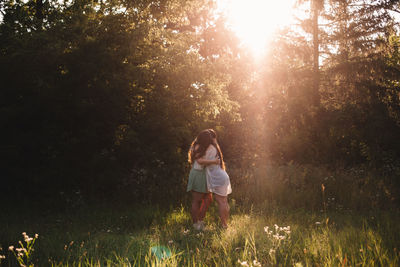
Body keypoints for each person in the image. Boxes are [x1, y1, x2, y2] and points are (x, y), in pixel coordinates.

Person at [187, 130, 220, 230]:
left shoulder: (203, 146)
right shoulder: (197, 146)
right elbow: (200, 161)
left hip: (204, 174)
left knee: (208, 199)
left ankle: (200, 221)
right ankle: (195, 224)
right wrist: (214, 161)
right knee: (197, 200)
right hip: (198, 174)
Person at [204, 129, 232, 228]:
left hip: (218, 177)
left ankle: (224, 224)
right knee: (224, 202)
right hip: (222, 175)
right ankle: (225, 223)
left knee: (221, 202)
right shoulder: (215, 147)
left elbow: (203, 163)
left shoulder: (209, 148)